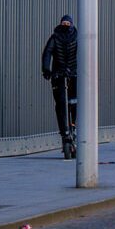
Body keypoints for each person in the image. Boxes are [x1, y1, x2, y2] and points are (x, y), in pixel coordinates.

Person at [41, 15, 79, 148]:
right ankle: (64, 131)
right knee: (61, 103)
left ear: (72, 25)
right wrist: (46, 70)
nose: (66, 25)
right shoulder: (55, 37)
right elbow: (47, 52)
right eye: (64, 23)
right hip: (58, 74)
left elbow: (84, 53)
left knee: (74, 101)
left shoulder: (77, 37)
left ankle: (73, 126)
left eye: (68, 23)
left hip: (74, 74)